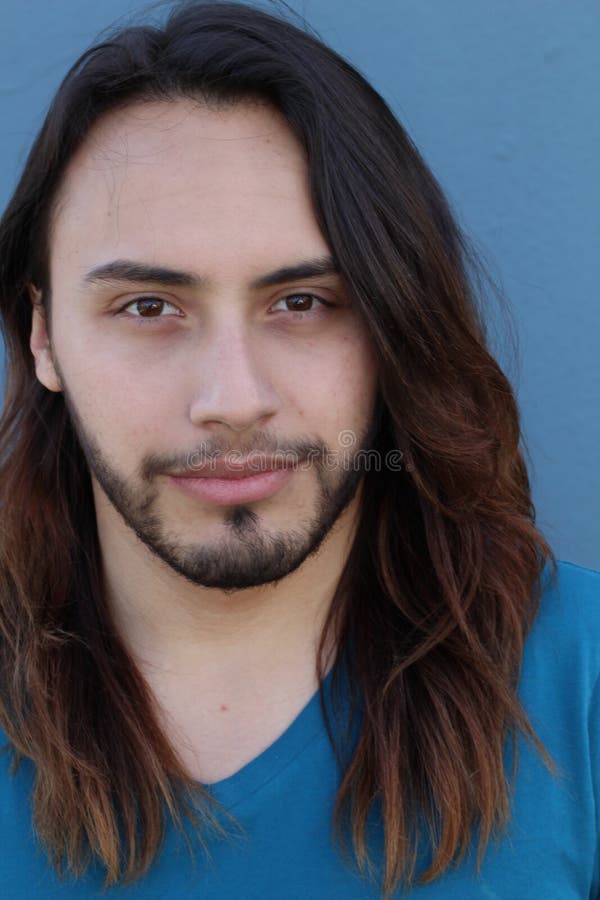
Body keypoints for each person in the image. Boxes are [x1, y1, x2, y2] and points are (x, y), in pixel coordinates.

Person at [0, 1, 597, 897]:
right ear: (43, 336)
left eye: (304, 302)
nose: (234, 400)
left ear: (394, 323)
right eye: (148, 308)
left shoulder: (580, 679)